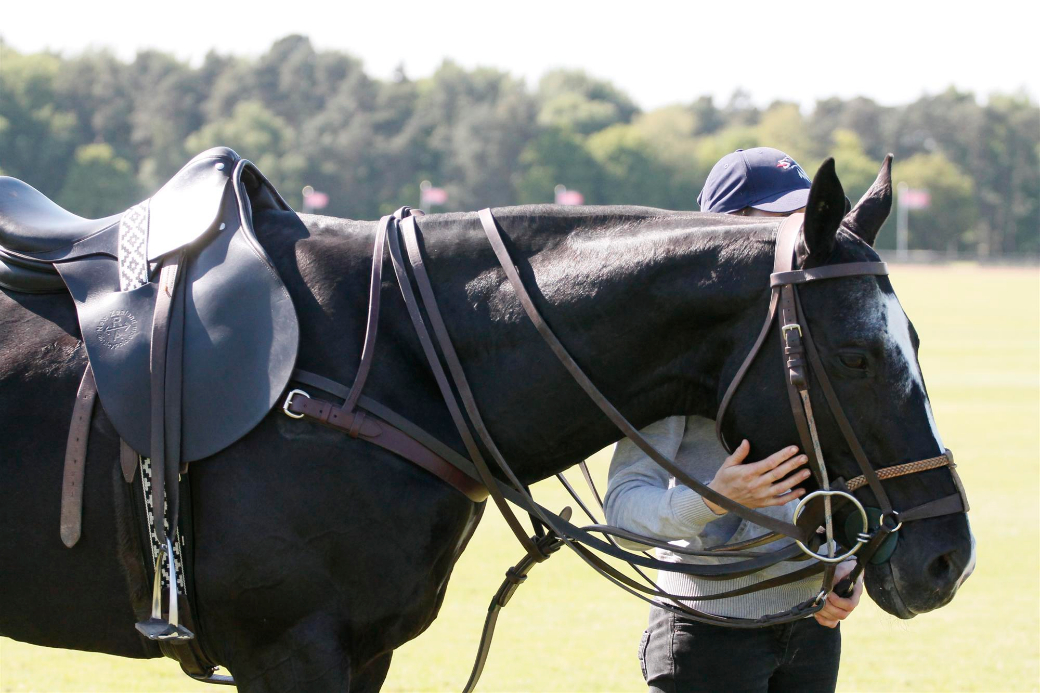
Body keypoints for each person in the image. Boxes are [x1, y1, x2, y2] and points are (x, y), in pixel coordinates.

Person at [604, 147, 864, 693]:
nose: (800, 233)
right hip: (705, 632)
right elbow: (622, 511)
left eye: (802, 219)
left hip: (811, 627)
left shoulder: (803, 349)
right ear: (725, 231)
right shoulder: (670, 355)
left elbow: (829, 480)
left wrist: (840, 561)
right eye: (782, 221)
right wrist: (714, 498)